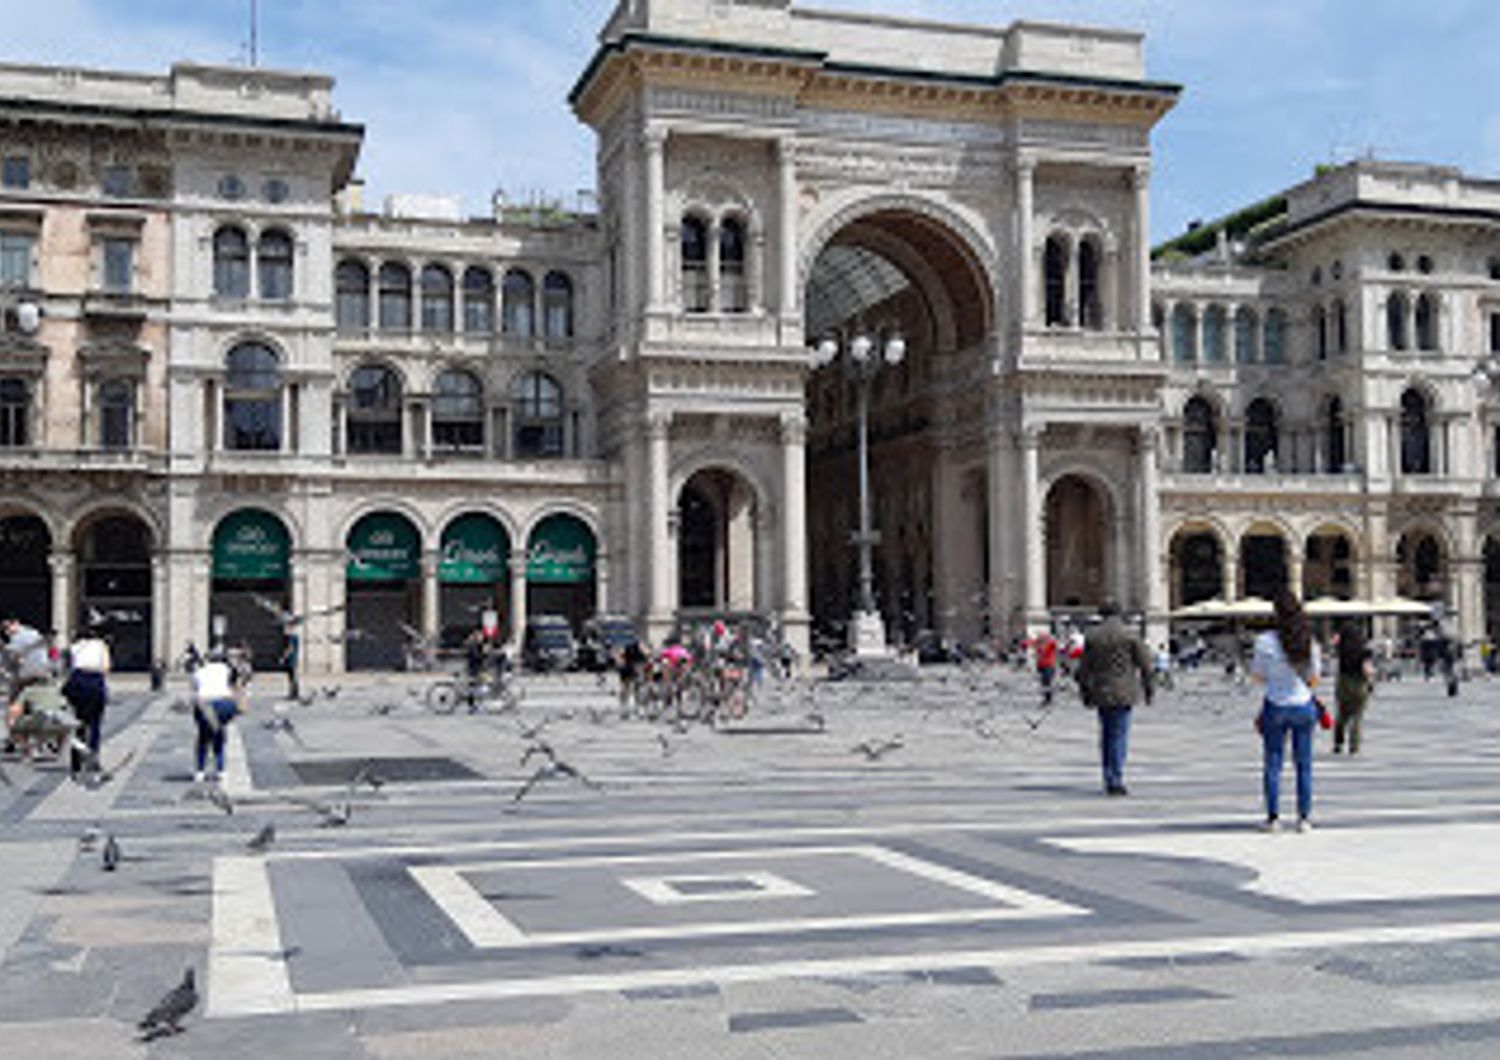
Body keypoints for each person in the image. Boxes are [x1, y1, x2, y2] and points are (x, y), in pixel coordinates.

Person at [1250, 588, 1322, 833]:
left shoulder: (1264, 642)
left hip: (1275, 706)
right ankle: (1304, 818)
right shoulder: (1309, 640)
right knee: (1304, 765)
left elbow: (1257, 677)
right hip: (1303, 706)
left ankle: (1273, 818)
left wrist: (1276, 678)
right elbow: (1314, 679)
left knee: (1273, 763)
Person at [1076, 601, 1153, 796]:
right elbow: (1146, 665)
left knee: (1106, 735)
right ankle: (1115, 779)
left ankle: (1109, 775)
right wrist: (1149, 690)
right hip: (1124, 691)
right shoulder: (1130, 634)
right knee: (1119, 735)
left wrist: (1084, 692)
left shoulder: (1093, 636)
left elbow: (1083, 669)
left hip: (1101, 691)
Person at [62, 624, 112, 780]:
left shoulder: (74, 647)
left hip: (76, 681)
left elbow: (67, 668)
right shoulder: (100, 645)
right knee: (95, 723)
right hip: (94, 681)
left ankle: (76, 763)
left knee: (79, 723)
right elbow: (106, 667)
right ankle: (93, 757)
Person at [192, 649, 242, 783]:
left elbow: (196, 690)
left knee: (203, 738)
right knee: (218, 735)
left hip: (206, 705)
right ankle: (221, 770)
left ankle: (200, 771)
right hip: (225, 705)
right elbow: (235, 681)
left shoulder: (199, 671)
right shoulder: (226, 669)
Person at [3, 617, 52, 750]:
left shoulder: (17, 638)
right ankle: (44, 738)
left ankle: (13, 739)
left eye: (7, 628)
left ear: (16, 624)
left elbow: (14, 660)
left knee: (13, 706)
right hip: (42, 674)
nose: (7, 632)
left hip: (25, 676)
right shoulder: (34, 633)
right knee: (38, 705)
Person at [1332, 622, 1373, 755]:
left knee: (1341, 715)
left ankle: (1338, 743)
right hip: (1358, 683)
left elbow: (1335, 642)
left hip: (1343, 683)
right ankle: (1354, 746)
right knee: (1357, 716)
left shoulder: (1341, 650)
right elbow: (1367, 669)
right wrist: (1370, 682)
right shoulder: (1364, 651)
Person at [1028, 629, 1059, 704]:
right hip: (1042, 665)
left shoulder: (1050, 643)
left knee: (1047, 681)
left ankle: (1048, 698)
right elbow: (1029, 643)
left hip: (1049, 665)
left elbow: (1055, 644)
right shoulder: (1039, 644)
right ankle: (1047, 698)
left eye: (1041, 638)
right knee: (1044, 682)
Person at [279, 629, 301, 701]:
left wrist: (283, 657)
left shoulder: (291, 637)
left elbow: (290, 649)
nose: (285, 631)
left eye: (286, 629)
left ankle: (292, 694)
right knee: (294, 677)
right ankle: (295, 694)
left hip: (291, 660)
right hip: (294, 659)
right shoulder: (296, 637)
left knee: (291, 678)